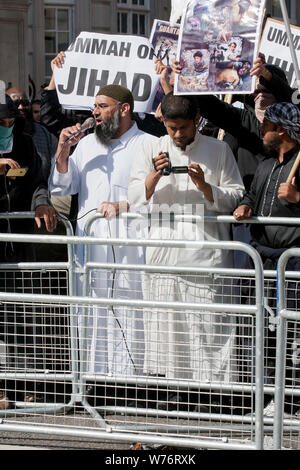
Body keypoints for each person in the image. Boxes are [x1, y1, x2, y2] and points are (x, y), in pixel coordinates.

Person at [128, 92, 244, 410]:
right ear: (163, 122)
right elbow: (135, 195)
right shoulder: (151, 148)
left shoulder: (218, 150)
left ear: (196, 122)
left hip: (206, 254)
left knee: (209, 325)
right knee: (167, 326)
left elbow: (236, 195)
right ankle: (174, 394)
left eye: (183, 128)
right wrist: (154, 175)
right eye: (171, 127)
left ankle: (213, 396)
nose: (177, 135)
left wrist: (206, 186)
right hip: (163, 254)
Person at [49, 84, 156, 378]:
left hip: (130, 245)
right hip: (91, 243)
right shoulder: (85, 145)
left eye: (102, 106)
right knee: (91, 310)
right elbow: (62, 186)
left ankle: (128, 381)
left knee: (129, 308)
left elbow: (158, 197)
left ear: (124, 109)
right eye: (93, 107)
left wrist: (123, 205)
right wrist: (62, 152)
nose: (94, 112)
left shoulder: (149, 144)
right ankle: (93, 379)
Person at [233, 102, 300, 415]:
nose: (260, 132)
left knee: (293, 332)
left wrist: (298, 198)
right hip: (262, 261)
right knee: (265, 330)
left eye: (265, 127)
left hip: (294, 263)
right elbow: (252, 196)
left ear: (281, 130)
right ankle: (271, 398)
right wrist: (245, 206)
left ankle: (291, 400)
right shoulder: (264, 165)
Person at [0, 95, 57, 410]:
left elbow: (37, 180)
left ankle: (21, 386)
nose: (6, 126)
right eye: (1, 123)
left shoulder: (24, 144)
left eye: (10, 121)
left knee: (21, 318)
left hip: (18, 245)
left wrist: (41, 202)